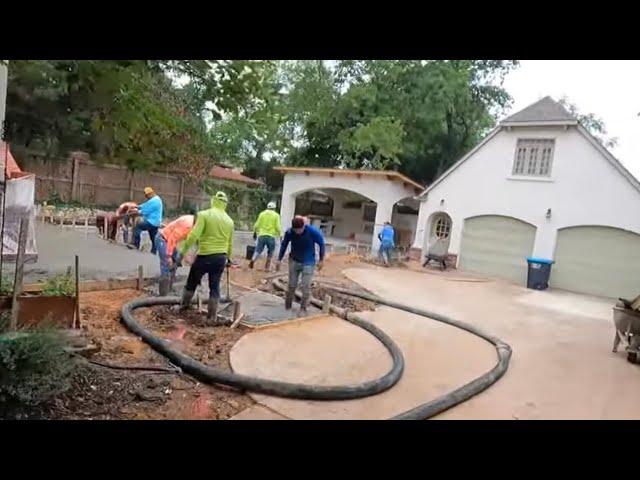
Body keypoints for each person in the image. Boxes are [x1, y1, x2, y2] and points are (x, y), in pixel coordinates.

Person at [177, 191, 234, 325]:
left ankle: (184, 306)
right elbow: (230, 243)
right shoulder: (230, 221)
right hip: (220, 257)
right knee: (214, 286)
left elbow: (193, 236)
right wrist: (229, 259)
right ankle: (211, 317)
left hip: (204, 256)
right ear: (225, 204)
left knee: (192, 282)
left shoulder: (204, 215)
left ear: (213, 201)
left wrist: (183, 251)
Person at [276, 215, 325, 316]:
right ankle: (287, 306)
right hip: (294, 260)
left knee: (305, 286)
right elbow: (284, 245)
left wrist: (321, 260)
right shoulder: (290, 232)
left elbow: (321, 243)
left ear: (304, 226)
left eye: (300, 230)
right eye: (296, 230)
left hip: (308, 262)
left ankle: (303, 308)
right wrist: (279, 259)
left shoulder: (312, 232)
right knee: (291, 285)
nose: (298, 232)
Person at [154, 212, 196, 296]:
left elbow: (185, 241)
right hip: (163, 239)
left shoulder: (192, 221)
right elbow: (172, 238)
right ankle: (163, 294)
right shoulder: (187, 226)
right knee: (166, 263)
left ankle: (169, 287)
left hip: (169, 241)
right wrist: (169, 255)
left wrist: (186, 256)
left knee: (176, 261)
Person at [250, 201, 282, 271]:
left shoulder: (262, 214)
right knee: (271, 252)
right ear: (274, 208)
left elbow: (257, 224)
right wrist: (281, 235)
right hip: (271, 237)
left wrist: (255, 232)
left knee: (258, 250)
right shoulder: (276, 215)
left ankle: (253, 260)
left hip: (261, 235)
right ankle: (267, 267)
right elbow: (278, 227)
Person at [131, 187, 163, 254]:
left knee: (138, 226)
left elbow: (145, 211)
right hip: (156, 222)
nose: (146, 197)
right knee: (153, 237)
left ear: (150, 194)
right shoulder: (156, 199)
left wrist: (137, 211)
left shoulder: (154, 201)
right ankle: (154, 251)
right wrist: (138, 206)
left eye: (146, 195)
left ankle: (135, 245)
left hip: (151, 221)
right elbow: (145, 205)